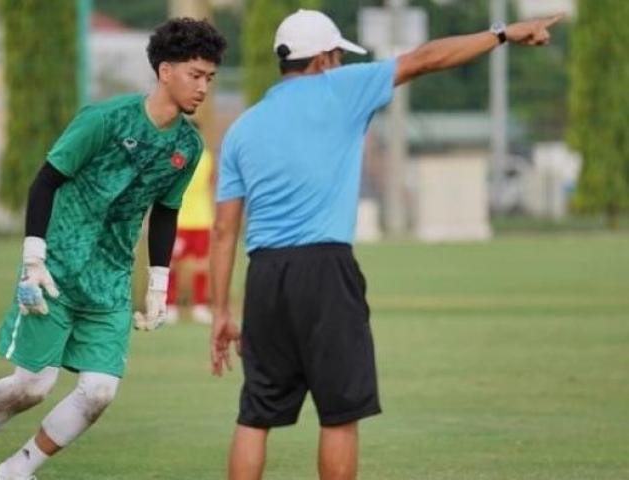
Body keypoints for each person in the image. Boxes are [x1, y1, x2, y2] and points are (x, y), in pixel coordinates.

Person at [209, 9, 562, 480]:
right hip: (325, 270)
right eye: (336, 55)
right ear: (322, 60)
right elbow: (427, 58)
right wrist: (502, 34)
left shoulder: (244, 128)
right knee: (339, 412)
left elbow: (222, 231)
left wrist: (220, 311)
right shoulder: (343, 87)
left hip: (265, 275)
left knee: (255, 414)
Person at [0, 17, 226, 480]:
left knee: (100, 392)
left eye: (210, 77)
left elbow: (166, 212)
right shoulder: (105, 119)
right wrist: (33, 259)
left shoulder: (187, 147)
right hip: (56, 268)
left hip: (109, 281)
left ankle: (17, 470)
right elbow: (45, 182)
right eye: (196, 74)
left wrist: (158, 286)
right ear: (165, 71)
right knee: (31, 386)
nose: (204, 86)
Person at [165, 146, 216, 325]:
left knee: (202, 264)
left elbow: (211, 183)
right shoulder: (176, 156)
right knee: (171, 264)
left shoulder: (207, 157)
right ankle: (169, 306)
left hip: (202, 219)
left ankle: (200, 306)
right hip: (180, 219)